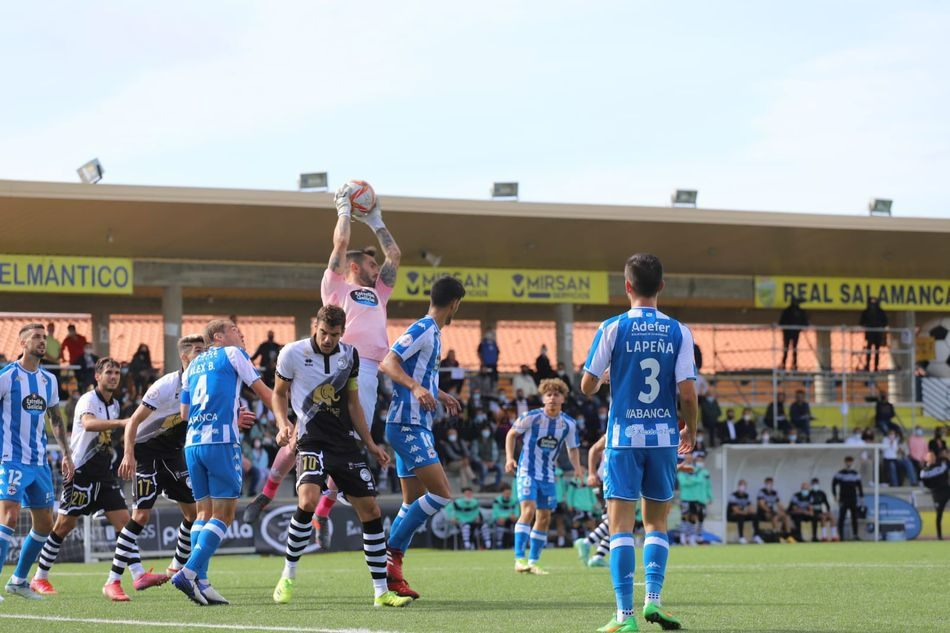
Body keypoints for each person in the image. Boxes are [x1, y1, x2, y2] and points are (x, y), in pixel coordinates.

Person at [243, 182, 402, 530]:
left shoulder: (379, 295)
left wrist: (376, 220)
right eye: (371, 264)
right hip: (333, 364)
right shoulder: (336, 288)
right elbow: (340, 244)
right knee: (304, 434)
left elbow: (395, 257)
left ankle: (321, 517)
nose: (378, 269)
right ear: (355, 267)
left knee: (352, 442)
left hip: (369, 372)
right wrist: (344, 209)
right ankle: (266, 494)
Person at [581, 252, 698, 632]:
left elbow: (587, 384)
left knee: (620, 529)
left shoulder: (612, 327)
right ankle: (654, 600)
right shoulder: (679, 331)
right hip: (664, 439)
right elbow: (688, 394)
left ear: (627, 286)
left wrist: (610, 377)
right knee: (657, 524)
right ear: (661, 286)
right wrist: (691, 431)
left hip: (623, 439)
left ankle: (624, 617)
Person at [270, 305, 408, 608]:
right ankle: (288, 575)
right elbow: (279, 394)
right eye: (323, 333)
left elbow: (354, 402)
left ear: (342, 332)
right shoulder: (291, 353)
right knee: (307, 501)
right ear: (314, 325)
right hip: (309, 440)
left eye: (334, 334)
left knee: (371, 511)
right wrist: (283, 424)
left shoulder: (350, 356)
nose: (328, 339)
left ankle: (380, 592)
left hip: (344, 443)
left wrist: (370, 442)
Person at [170, 319, 273, 606]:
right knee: (225, 515)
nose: (241, 335)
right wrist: (287, 421)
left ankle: (201, 581)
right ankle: (189, 571)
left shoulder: (192, 366)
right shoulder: (233, 354)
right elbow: (263, 390)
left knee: (203, 514)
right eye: (235, 331)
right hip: (221, 442)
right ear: (218, 336)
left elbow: (183, 413)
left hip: (193, 444)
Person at [104, 335, 208, 602]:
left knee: (194, 513)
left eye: (205, 350)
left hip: (172, 454)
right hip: (146, 453)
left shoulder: (202, 384)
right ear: (184, 357)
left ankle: (175, 566)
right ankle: (112, 581)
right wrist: (128, 455)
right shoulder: (165, 386)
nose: (203, 354)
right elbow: (133, 422)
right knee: (140, 517)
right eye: (198, 351)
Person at [381, 276, 466, 600]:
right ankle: (393, 555)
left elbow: (421, 377)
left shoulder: (434, 333)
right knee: (442, 494)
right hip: (406, 424)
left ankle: (389, 573)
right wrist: (416, 389)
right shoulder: (424, 328)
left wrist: (439, 393)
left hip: (416, 424)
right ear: (455, 303)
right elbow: (388, 363)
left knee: (410, 501)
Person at [29, 358, 144, 595]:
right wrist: (123, 422)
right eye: (109, 372)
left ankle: (138, 575)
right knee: (64, 525)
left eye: (116, 373)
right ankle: (39, 577)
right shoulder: (88, 399)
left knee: (125, 523)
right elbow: (89, 424)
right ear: (97, 376)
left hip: (103, 475)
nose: (113, 376)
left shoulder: (114, 404)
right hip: (80, 472)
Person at [0, 323, 74, 600]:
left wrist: (66, 453)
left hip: (40, 462)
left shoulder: (49, 380)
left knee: (44, 523)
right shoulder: (7, 376)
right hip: (11, 459)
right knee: (9, 516)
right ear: (22, 343)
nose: (43, 342)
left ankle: (18, 580)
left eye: (44, 337)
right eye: (36, 338)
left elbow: (55, 418)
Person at [504, 378, 581, 575]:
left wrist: (578, 468)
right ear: (543, 398)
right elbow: (511, 434)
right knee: (528, 511)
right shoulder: (532, 417)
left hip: (548, 475)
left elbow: (572, 449)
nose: (552, 398)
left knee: (545, 517)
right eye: (549, 395)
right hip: (527, 471)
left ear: (563, 398)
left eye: (556, 394)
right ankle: (519, 559)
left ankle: (534, 561)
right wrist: (509, 458)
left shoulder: (568, 424)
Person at [677, 454, 712, 546]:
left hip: (695, 499)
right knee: (684, 518)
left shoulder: (696, 470)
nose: (689, 460)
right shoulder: (681, 470)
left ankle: (692, 537)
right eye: (687, 459)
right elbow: (684, 482)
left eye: (690, 458)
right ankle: (682, 537)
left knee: (694, 518)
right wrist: (694, 480)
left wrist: (691, 480)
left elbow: (702, 481)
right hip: (685, 498)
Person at [832, 456, 864, 541]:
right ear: (845, 462)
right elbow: (834, 484)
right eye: (847, 461)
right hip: (843, 498)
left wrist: (861, 497)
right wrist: (834, 495)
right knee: (842, 517)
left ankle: (855, 535)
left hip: (853, 498)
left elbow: (860, 487)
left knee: (854, 517)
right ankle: (841, 536)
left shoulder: (856, 474)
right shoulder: (840, 473)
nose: (849, 463)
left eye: (850, 462)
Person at [919, 451, 949, 540]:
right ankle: (939, 536)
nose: (932, 458)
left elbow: (946, 472)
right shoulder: (924, 472)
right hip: (937, 494)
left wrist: (946, 456)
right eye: (930, 456)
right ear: (926, 458)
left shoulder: (941, 466)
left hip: (947, 490)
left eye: (933, 456)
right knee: (939, 514)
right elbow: (925, 484)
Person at [756, 477, 795, 543]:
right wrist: (770, 511)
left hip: (773, 512)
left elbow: (779, 504)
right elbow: (761, 504)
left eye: (770, 483)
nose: (769, 485)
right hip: (764, 513)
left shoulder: (774, 493)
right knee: (775, 517)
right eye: (767, 483)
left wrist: (786, 510)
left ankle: (789, 536)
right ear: (765, 484)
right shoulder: (761, 492)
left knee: (786, 516)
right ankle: (778, 536)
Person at [778, 297, 808, 371]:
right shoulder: (787, 311)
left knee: (794, 349)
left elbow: (805, 322)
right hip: (787, 333)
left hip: (795, 333)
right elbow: (781, 322)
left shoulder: (800, 312)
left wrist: (800, 327)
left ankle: (794, 364)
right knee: (786, 349)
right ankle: (784, 364)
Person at [859, 298, 888, 372]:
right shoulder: (867, 312)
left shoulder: (880, 312)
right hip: (871, 334)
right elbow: (862, 322)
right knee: (870, 350)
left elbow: (885, 323)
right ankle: (869, 366)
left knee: (876, 351)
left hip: (876, 334)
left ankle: (875, 367)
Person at [470, 425, 502, 490]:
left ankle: (496, 486)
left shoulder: (492, 441)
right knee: (484, 468)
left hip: (491, 462)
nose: (486, 432)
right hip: (479, 462)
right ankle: (482, 486)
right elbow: (474, 455)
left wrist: (492, 462)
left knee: (500, 467)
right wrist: (484, 462)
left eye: (487, 430)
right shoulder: (476, 441)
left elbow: (495, 453)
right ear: (481, 431)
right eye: (484, 430)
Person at [727, 480, 757, 544]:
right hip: (732, 515)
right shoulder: (733, 495)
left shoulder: (747, 496)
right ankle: (741, 537)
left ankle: (756, 535)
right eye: (741, 485)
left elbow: (751, 508)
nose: (742, 487)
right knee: (740, 516)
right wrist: (745, 512)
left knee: (754, 516)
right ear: (738, 486)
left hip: (742, 514)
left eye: (744, 485)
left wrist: (750, 511)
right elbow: (735, 510)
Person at [491, 483, 520, 548]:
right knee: (500, 523)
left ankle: (513, 544)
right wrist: (506, 516)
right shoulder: (497, 501)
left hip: (510, 519)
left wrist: (515, 516)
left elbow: (516, 512)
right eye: (506, 493)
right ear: (502, 493)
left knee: (515, 525)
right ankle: (499, 544)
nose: (508, 495)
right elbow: (496, 512)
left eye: (509, 493)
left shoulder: (514, 501)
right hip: (500, 520)